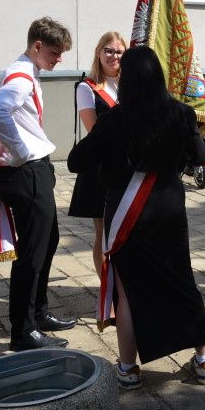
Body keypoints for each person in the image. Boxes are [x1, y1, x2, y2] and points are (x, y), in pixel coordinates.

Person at [67, 46, 205, 388]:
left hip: (126, 213)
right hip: (168, 209)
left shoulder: (113, 120)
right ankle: (204, 360)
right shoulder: (181, 113)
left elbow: (76, 161)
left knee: (128, 291)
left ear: (127, 78)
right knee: (182, 280)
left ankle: (128, 369)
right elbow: (196, 158)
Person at [0, 16, 77, 351]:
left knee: (48, 241)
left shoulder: (27, 72)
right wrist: (21, 151)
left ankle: (38, 314)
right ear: (37, 46)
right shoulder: (21, 76)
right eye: (54, 52)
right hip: (26, 172)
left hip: (35, 169)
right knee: (32, 254)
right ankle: (23, 332)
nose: (59, 59)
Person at [68, 31, 126, 276]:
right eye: (109, 50)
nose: (114, 56)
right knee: (104, 234)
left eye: (119, 52)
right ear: (98, 52)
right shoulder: (87, 87)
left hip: (128, 168)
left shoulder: (130, 84)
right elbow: (94, 132)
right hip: (101, 169)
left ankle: (126, 287)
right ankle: (108, 295)